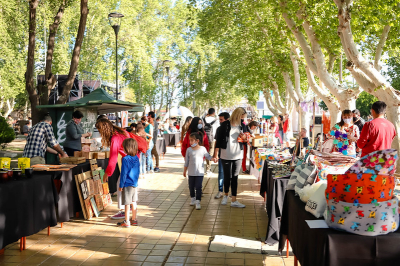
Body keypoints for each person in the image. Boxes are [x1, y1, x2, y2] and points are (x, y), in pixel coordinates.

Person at [95, 118, 147, 220]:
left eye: (100, 131)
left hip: (128, 161)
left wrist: (107, 174)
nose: (100, 134)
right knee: (131, 188)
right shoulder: (120, 132)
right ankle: (131, 213)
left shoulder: (115, 138)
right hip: (135, 159)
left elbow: (113, 160)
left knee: (121, 185)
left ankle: (124, 211)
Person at [213, 107, 247, 208]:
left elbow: (246, 137)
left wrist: (244, 137)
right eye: (242, 116)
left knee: (235, 177)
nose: (243, 118)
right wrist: (215, 154)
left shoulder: (242, 125)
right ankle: (226, 195)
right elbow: (218, 140)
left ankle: (234, 200)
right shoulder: (225, 125)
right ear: (238, 114)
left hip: (238, 154)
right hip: (225, 154)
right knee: (227, 176)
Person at [183, 132, 216, 210]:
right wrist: (185, 171)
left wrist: (213, 158)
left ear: (197, 141)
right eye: (189, 140)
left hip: (200, 173)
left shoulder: (202, 149)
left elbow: (208, 156)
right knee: (191, 186)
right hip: (191, 172)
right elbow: (186, 161)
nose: (190, 142)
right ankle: (192, 198)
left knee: (198, 187)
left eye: (192, 140)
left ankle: (198, 201)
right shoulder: (189, 150)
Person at [117, 138, 140, 227]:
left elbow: (123, 173)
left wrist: (121, 185)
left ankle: (126, 221)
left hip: (127, 184)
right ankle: (134, 219)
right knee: (133, 201)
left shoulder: (125, 159)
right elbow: (138, 171)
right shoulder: (136, 158)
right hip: (134, 183)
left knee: (127, 203)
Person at [214, 112, 230, 199]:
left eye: (221, 119)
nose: (220, 121)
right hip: (222, 155)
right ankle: (220, 191)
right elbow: (217, 142)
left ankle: (228, 191)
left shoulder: (233, 128)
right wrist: (216, 154)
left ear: (227, 119)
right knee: (221, 173)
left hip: (231, 155)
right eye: (219, 119)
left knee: (229, 173)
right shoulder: (219, 129)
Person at [204, 108, 220, 176]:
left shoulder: (203, 119)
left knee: (204, 152)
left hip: (204, 138)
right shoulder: (216, 120)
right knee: (210, 153)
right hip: (212, 138)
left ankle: (204, 167)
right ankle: (208, 169)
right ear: (214, 113)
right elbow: (218, 129)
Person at [240, 108, 250, 174]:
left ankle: (244, 168)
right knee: (243, 157)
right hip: (242, 143)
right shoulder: (242, 124)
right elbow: (244, 133)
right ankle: (244, 169)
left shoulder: (242, 124)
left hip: (241, 143)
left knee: (243, 157)